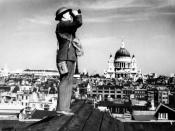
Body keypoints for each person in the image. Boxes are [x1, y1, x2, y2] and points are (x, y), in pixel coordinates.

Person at [55, 7, 82, 116]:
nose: (70, 15)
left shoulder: (66, 26)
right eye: (68, 13)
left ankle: (65, 108)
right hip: (65, 58)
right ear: (62, 16)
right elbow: (78, 23)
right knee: (65, 81)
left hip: (69, 57)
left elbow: (74, 26)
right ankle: (61, 108)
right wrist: (77, 15)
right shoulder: (62, 24)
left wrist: (76, 16)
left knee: (68, 82)